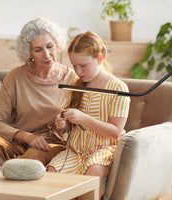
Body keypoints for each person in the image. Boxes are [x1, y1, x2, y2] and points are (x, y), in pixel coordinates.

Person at [0, 17, 76, 166]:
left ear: (57, 45)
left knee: (31, 158)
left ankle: (9, 182)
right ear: (28, 53)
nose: (47, 55)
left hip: (51, 145)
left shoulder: (72, 79)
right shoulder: (15, 77)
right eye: (38, 50)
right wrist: (26, 137)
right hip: (20, 141)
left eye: (50, 46)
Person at [47, 31, 130, 199]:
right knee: (52, 172)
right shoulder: (76, 86)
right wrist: (64, 124)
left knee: (92, 172)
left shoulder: (119, 88)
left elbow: (115, 131)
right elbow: (70, 128)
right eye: (74, 65)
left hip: (103, 150)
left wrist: (84, 118)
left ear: (99, 59)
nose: (77, 71)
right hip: (76, 151)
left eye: (82, 65)